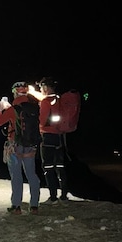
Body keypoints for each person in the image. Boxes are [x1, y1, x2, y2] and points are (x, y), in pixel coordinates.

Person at [0, 81, 41, 215]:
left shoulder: (13, 108)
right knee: (32, 175)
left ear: (15, 92)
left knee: (16, 176)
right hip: (30, 146)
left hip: (15, 145)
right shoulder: (35, 106)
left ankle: (16, 206)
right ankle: (34, 206)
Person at [36, 77, 69, 205]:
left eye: (41, 88)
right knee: (60, 166)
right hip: (60, 137)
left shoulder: (46, 102)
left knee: (48, 167)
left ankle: (53, 197)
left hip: (48, 136)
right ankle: (64, 195)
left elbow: (42, 120)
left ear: (46, 87)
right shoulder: (60, 100)